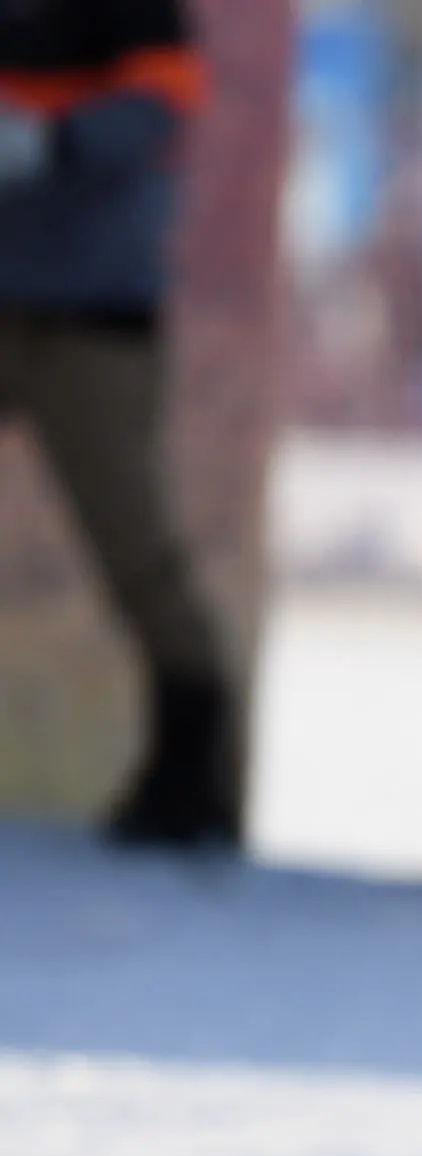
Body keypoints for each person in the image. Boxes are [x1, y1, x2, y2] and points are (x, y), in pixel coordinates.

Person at [0, 0, 239, 847]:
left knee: (136, 547)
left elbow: (162, 98)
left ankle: (195, 775)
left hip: (93, 311)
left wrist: (52, 142)